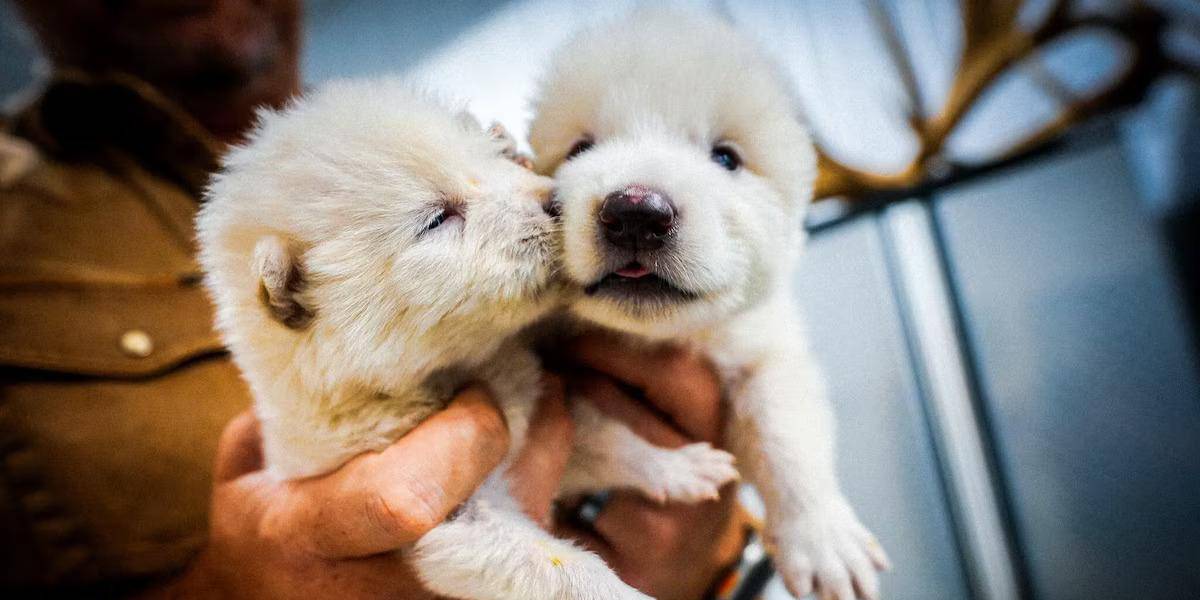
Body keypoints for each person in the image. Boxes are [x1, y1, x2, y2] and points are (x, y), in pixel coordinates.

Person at [0, 1, 750, 598]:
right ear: (291, 293)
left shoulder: (423, 126)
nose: (548, 199)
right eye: (436, 219)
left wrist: (710, 563)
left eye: (494, 163)